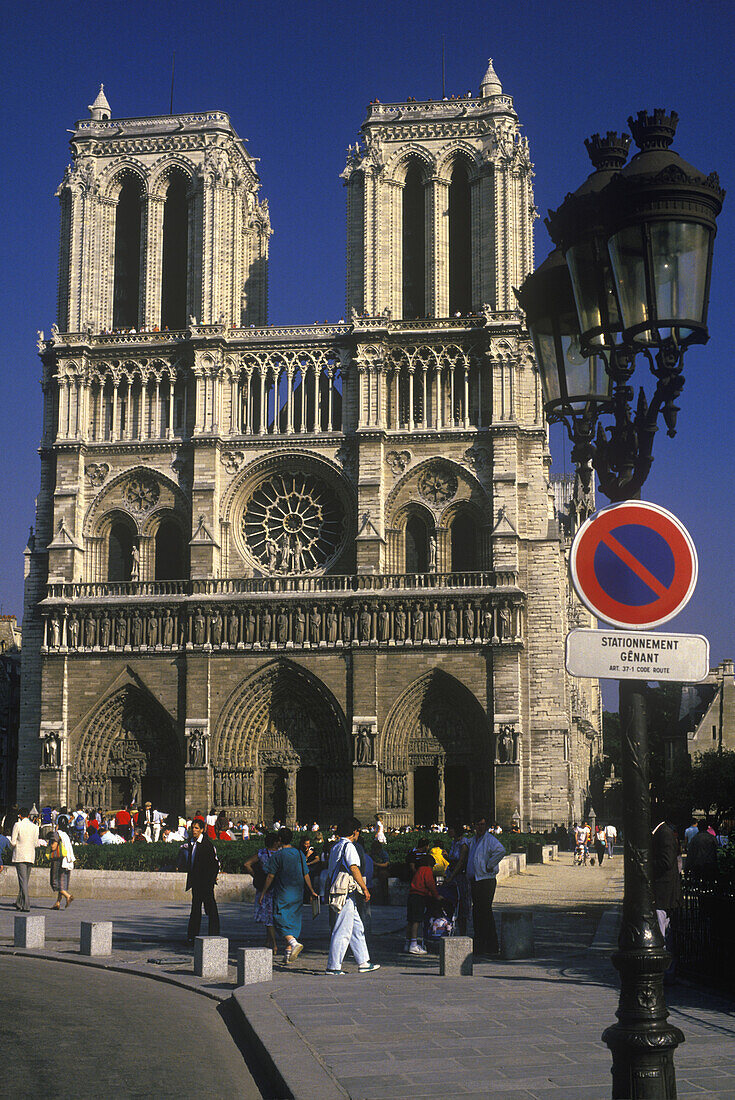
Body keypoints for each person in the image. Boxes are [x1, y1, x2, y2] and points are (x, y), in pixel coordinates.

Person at [325, 818, 380, 975]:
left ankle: (363, 961)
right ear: (354, 831)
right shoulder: (349, 846)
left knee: (357, 928)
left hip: (340, 891)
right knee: (342, 929)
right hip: (346, 894)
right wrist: (364, 888)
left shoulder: (336, 846)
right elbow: (354, 868)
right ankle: (333, 966)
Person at [260, 827, 318, 964]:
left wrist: (263, 892)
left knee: (279, 918)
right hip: (298, 892)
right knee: (292, 920)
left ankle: (293, 943)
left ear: (279, 839)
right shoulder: (299, 854)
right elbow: (306, 874)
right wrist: (311, 889)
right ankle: (287, 954)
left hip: (283, 892)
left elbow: (270, 875)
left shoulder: (278, 856)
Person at [467, 816, 505, 958]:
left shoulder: (490, 840)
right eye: (479, 824)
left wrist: (489, 865)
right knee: (479, 912)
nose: (481, 827)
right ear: (474, 825)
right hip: (476, 880)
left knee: (484, 911)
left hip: (486, 880)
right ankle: (486, 944)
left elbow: (501, 851)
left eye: (483, 824)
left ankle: (487, 944)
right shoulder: (473, 840)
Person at [183, 817, 221, 944]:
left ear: (202, 830)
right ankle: (192, 935)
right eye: (192, 828)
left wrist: (210, 881)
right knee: (195, 909)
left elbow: (214, 864)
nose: (194, 830)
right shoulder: (191, 842)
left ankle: (214, 934)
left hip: (205, 882)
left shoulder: (207, 845)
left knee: (210, 909)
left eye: (196, 828)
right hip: (196, 882)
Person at [245, 832, 280, 954]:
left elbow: (247, 864)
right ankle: (274, 944)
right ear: (275, 842)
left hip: (264, 887)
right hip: (276, 887)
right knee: (270, 917)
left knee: (267, 916)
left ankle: (269, 941)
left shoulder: (262, 853)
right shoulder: (279, 854)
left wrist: (257, 876)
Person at [404, 854, 442, 954]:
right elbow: (430, 883)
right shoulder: (427, 870)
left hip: (412, 895)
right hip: (419, 897)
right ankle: (414, 944)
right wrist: (436, 895)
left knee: (410, 920)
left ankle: (407, 943)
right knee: (417, 921)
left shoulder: (419, 870)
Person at [11, 808, 44, 911]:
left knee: (22, 881)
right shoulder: (35, 827)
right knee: (25, 881)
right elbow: (35, 843)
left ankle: (26, 905)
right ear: (29, 816)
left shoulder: (17, 825)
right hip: (30, 855)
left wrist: (13, 847)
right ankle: (19, 902)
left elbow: (12, 842)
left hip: (20, 855)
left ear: (20, 815)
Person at [444, 822, 470, 935]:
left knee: (461, 903)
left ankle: (463, 933)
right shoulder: (454, 842)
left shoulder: (463, 844)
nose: (448, 831)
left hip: (460, 877)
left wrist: (451, 877)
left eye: (451, 828)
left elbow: (461, 862)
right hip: (453, 874)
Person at [51, 816, 75, 909]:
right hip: (67, 860)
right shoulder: (67, 834)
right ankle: (57, 903)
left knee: (55, 882)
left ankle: (68, 896)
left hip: (59, 861)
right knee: (62, 882)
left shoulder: (57, 834)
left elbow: (54, 847)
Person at [369, 832, 390, 906]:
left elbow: (386, 864)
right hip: (373, 870)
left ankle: (385, 899)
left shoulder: (383, 853)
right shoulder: (371, 853)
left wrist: (376, 864)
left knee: (383, 878)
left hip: (382, 870)